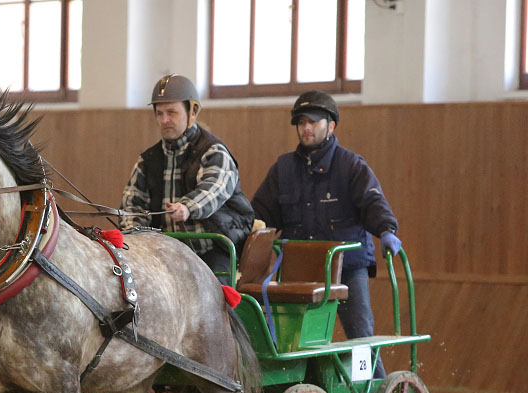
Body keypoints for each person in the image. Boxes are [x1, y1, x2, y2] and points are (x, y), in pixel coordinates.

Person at [251, 90, 401, 375]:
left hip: (347, 267)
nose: (306, 128)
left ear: (331, 126)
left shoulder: (351, 166)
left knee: (360, 336)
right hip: (299, 269)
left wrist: (387, 230)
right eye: (301, 122)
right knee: (295, 342)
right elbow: (259, 214)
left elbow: (373, 202)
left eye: (314, 122)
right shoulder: (283, 170)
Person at [121, 74, 254, 285]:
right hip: (164, 254)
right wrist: (133, 237)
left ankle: (232, 318)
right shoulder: (147, 160)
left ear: (192, 112)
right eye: (159, 113)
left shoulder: (214, 152)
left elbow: (212, 191)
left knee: (217, 296)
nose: (164, 120)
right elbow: (132, 204)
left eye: (172, 112)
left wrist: (187, 208)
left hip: (212, 249)